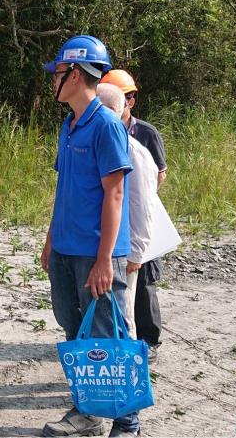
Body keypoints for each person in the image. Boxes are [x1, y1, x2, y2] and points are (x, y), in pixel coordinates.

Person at [40, 35, 141, 437]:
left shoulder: (106, 126)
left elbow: (115, 193)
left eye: (58, 73)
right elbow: (66, 187)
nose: (53, 81)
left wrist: (104, 259)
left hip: (96, 253)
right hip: (65, 250)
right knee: (76, 331)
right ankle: (87, 411)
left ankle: (127, 421)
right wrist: (51, 237)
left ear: (76, 74)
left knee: (109, 335)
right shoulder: (69, 124)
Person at [100, 69, 167, 360]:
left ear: (131, 100)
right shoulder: (103, 130)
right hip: (117, 217)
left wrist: (137, 198)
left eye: (124, 97)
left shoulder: (145, 134)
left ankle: (148, 339)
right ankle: (115, 340)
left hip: (142, 214)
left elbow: (158, 175)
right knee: (120, 287)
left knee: (143, 279)